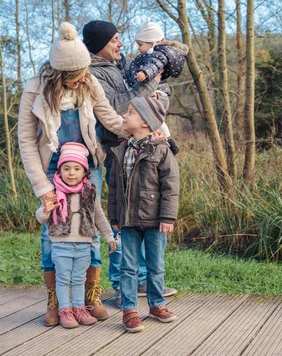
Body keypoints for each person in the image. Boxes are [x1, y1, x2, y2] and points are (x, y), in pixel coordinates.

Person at [18, 22, 126, 327]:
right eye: (76, 76)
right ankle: (55, 300)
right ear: (60, 75)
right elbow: (26, 140)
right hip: (52, 166)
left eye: (84, 73)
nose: (83, 79)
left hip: (87, 164)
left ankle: (89, 295)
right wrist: (42, 187)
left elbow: (110, 117)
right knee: (51, 234)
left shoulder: (89, 81)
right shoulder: (36, 88)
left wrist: (140, 130)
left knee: (89, 227)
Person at [82, 20, 177, 306]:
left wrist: (160, 91)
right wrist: (150, 83)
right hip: (117, 151)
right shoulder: (93, 75)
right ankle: (125, 284)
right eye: (114, 39)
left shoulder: (122, 64)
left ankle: (147, 283)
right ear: (100, 44)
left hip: (141, 147)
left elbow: (154, 97)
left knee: (144, 217)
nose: (121, 44)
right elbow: (119, 107)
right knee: (123, 219)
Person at [108, 97, 180, 333]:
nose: (124, 116)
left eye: (130, 112)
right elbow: (115, 189)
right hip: (128, 221)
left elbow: (170, 187)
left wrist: (168, 218)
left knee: (155, 265)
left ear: (146, 123)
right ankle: (129, 310)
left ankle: (157, 304)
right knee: (128, 266)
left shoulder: (161, 151)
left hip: (154, 221)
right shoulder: (121, 150)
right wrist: (114, 218)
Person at [36, 143, 117, 329]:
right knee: (63, 278)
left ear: (84, 172)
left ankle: (79, 308)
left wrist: (109, 236)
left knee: (79, 278)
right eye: (66, 168)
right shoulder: (53, 193)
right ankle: (65, 310)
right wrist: (45, 211)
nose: (71, 173)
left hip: (83, 245)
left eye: (76, 168)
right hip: (61, 245)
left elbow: (99, 216)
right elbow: (40, 218)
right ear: (60, 170)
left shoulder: (89, 192)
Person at [125, 21, 188, 155]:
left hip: (156, 90)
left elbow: (154, 65)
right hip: (152, 90)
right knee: (151, 121)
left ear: (151, 43)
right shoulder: (150, 54)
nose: (138, 48)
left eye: (140, 44)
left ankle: (169, 141)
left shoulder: (156, 55)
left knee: (155, 121)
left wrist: (145, 73)